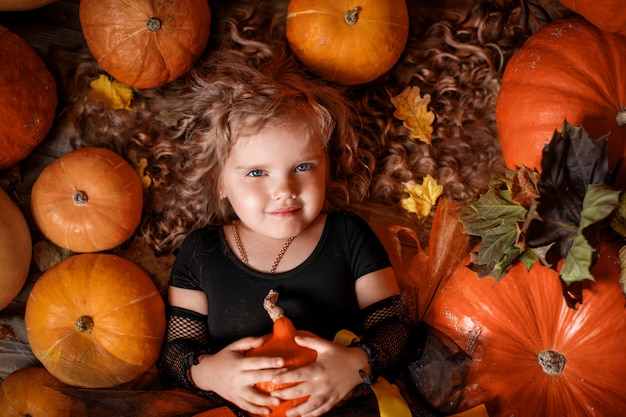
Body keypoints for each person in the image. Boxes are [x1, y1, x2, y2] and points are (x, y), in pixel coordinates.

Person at [140, 43, 414, 417]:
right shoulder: (201, 252)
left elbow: (395, 325)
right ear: (220, 181)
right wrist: (209, 373)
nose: (284, 189)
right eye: (256, 172)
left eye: (303, 167)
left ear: (327, 166)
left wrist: (356, 364)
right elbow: (177, 348)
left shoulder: (349, 236)